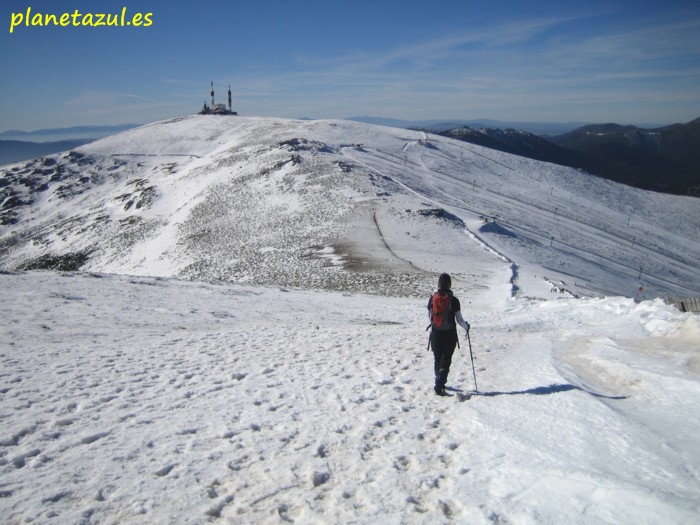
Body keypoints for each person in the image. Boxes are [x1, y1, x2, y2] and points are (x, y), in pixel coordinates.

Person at [427, 273, 470, 396]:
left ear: (438, 284)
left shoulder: (432, 299)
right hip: (449, 334)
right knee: (445, 360)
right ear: (450, 284)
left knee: (437, 359)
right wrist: (467, 327)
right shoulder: (454, 300)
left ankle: (439, 381)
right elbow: (460, 320)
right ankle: (439, 384)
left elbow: (430, 317)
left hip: (435, 333)